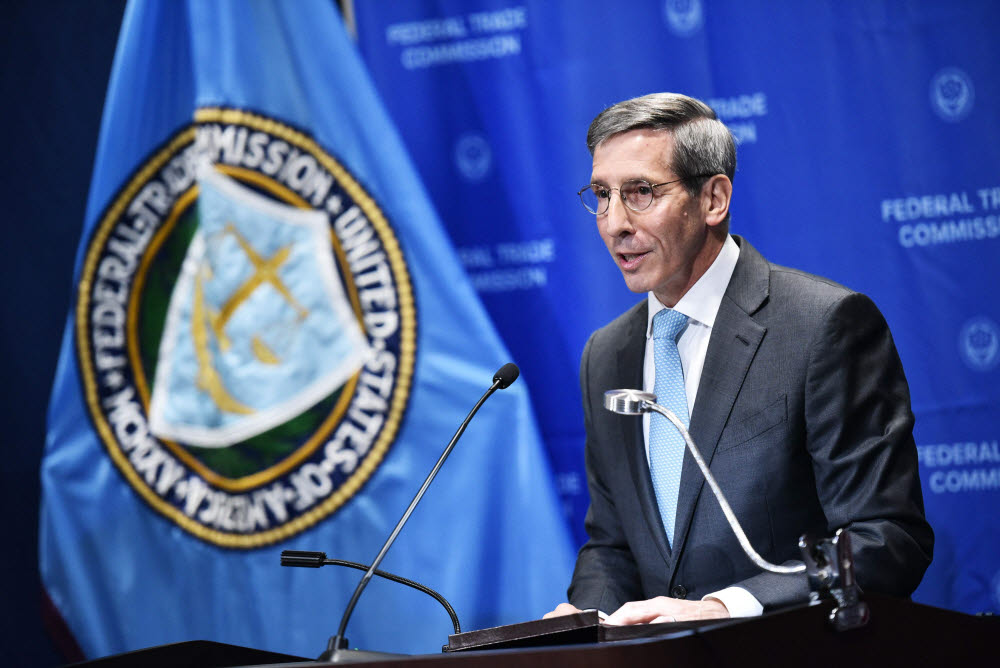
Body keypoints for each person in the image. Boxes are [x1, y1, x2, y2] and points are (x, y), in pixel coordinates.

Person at [545, 93, 933, 625]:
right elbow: (612, 547)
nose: (614, 223)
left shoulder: (823, 325)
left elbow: (885, 539)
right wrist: (586, 620)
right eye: (602, 195)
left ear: (713, 200)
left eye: (640, 193)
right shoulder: (606, 356)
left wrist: (724, 608)